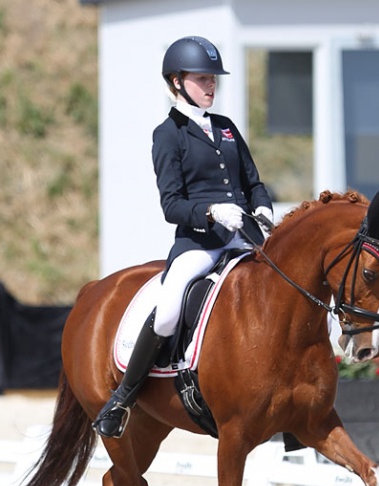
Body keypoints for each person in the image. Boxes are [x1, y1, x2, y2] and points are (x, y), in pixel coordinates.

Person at [93, 35, 273, 438]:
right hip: (200, 243)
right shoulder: (167, 134)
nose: (211, 86)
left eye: (213, 79)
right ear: (176, 81)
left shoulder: (226, 128)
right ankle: (123, 398)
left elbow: (254, 181)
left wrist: (262, 206)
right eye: (202, 79)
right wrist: (210, 211)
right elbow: (171, 205)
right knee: (170, 307)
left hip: (244, 237)